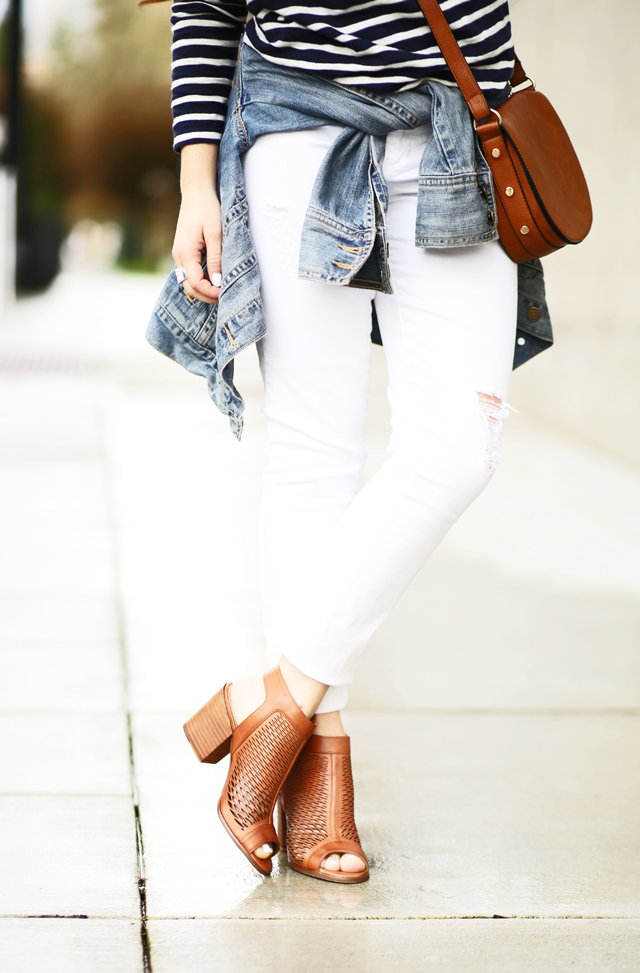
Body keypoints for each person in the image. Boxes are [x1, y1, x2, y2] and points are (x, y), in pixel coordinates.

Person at [150, 0, 552, 884]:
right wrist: (195, 182)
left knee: (458, 443)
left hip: (457, 120)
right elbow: (207, 7)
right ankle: (317, 769)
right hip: (296, 120)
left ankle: (268, 700)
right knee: (312, 453)